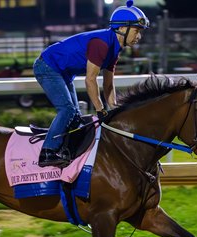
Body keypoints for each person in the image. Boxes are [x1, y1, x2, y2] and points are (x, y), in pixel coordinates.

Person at [33, 0, 149, 168]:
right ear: (122, 28)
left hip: (62, 71)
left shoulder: (114, 50)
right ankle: (47, 152)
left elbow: (108, 85)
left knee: (75, 117)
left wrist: (114, 109)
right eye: (137, 31)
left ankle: (65, 150)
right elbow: (91, 79)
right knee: (67, 110)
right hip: (48, 66)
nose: (139, 37)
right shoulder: (101, 44)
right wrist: (100, 109)